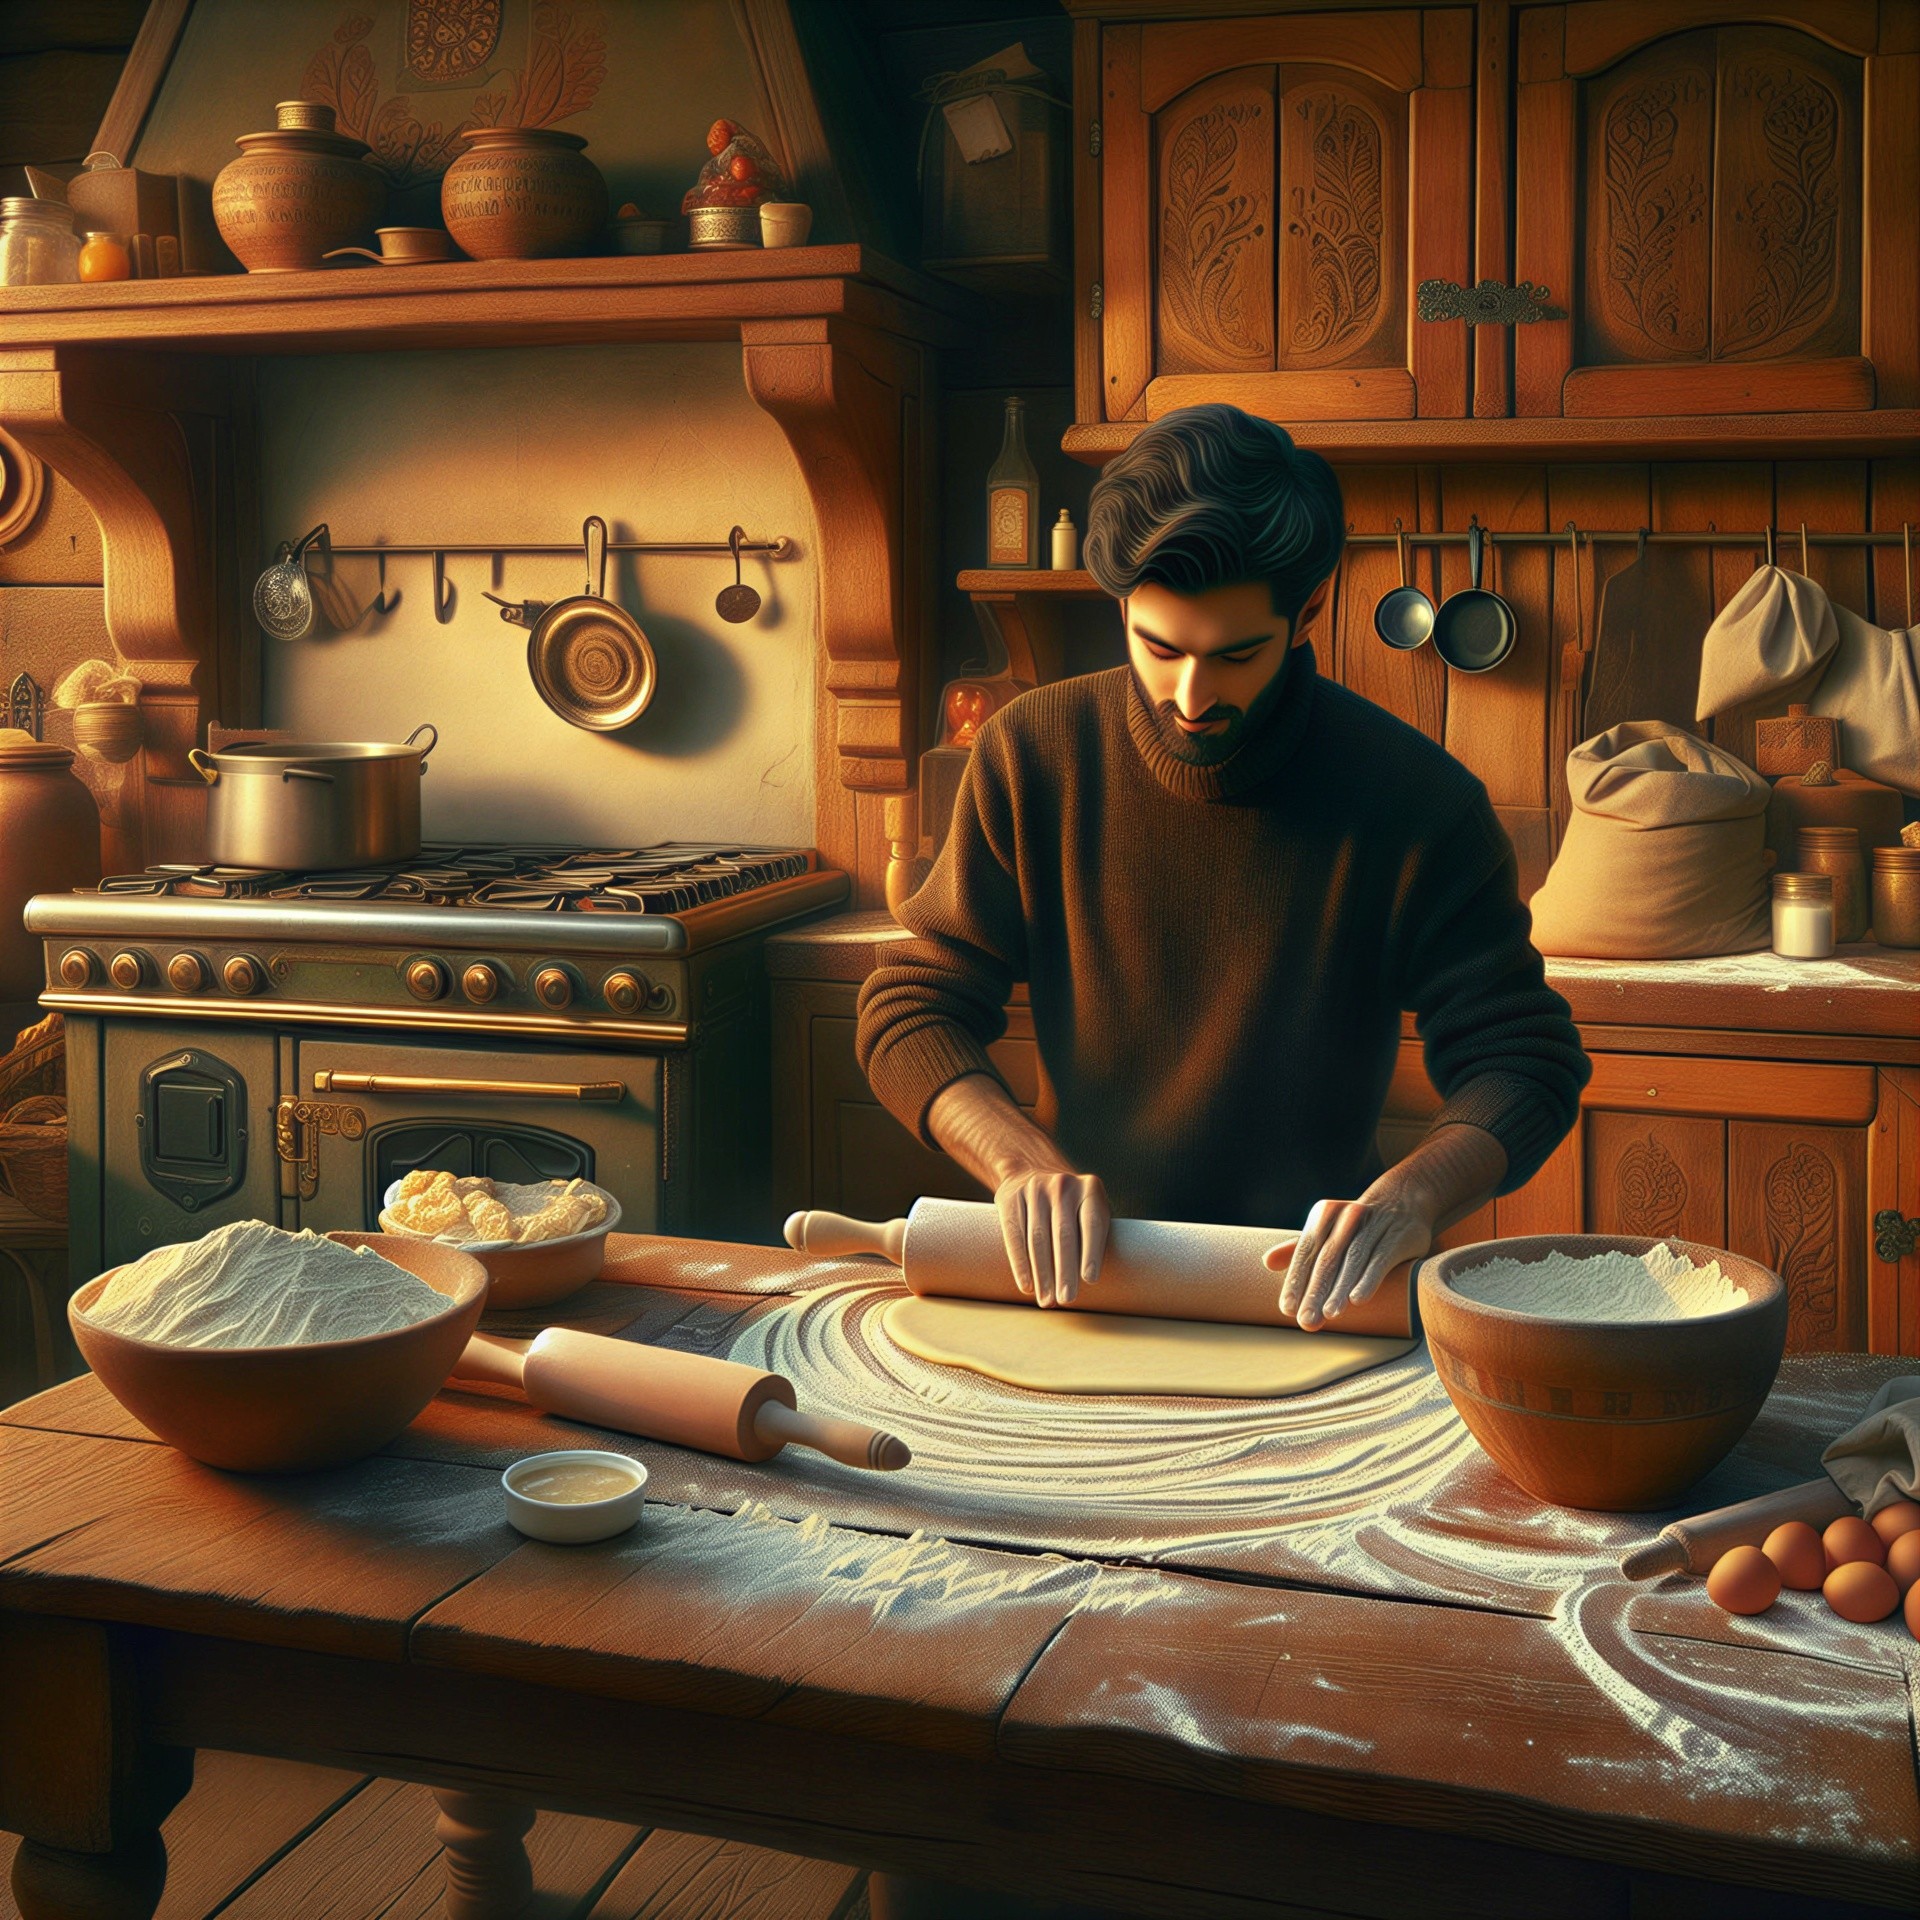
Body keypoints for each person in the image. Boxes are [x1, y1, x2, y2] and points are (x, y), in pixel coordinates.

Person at [856, 404, 1590, 1329]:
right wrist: (1016, 1157)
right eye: (1158, 648)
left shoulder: (1417, 803)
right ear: (1120, 605)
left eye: (1236, 654)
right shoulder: (1032, 755)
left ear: (1310, 608)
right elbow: (909, 1008)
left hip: (1313, 1296)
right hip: (1088, 1281)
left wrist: (1416, 1193)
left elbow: (1525, 1061)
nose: (1192, 697)